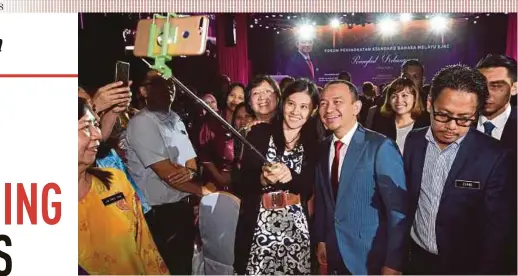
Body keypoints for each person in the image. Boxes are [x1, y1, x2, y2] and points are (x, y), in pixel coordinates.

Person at [404, 65, 512, 274]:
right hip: (416, 260)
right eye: (443, 115)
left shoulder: (494, 156)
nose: (452, 126)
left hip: (465, 267)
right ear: (429, 104)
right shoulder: (414, 141)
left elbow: (498, 232)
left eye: (464, 119)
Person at [314, 80, 409, 275]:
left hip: (369, 258)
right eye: (323, 103)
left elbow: (398, 212)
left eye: (337, 101)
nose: (329, 109)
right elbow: (325, 200)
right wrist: (322, 240)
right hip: (334, 255)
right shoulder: (323, 148)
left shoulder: (380, 147)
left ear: (356, 107)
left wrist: (393, 264)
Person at [125, 75, 214, 274]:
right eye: (160, 84)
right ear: (143, 91)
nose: (169, 88)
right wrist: (204, 191)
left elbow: (192, 163)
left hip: (180, 209)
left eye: (171, 83)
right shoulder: (142, 123)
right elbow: (167, 174)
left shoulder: (174, 118)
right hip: (159, 215)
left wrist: (188, 171)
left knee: (184, 267)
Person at [233, 79, 322, 275]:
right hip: (259, 226)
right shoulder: (259, 132)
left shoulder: (314, 143)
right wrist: (262, 180)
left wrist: (290, 176)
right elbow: (239, 182)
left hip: (295, 229)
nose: (295, 111)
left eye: (304, 106)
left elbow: (308, 188)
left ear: (313, 111)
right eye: (291, 103)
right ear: (283, 104)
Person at [78, 97, 168, 275]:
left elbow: (147, 251)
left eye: (96, 124)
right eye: (85, 127)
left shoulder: (115, 182)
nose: (97, 133)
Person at [475, 54, 517, 274]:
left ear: (515, 88)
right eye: (482, 85)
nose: (487, 93)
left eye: (497, 85)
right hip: (459, 248)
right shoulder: (457, 124)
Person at [198, 83, 245, 190]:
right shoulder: (212, 118)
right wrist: (219, 177)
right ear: (226, 96)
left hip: (238, 181)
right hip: (214, 180)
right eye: (232, 95)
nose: (235, 100)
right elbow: (203, 153)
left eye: (240, 97)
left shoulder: (246, 121)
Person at [372, 77, 430, 153]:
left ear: (415, 98)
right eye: (394, 96)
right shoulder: (381, 124)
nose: (399, 101)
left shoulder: (426, 125)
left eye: (404, 95)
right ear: (389, 100)